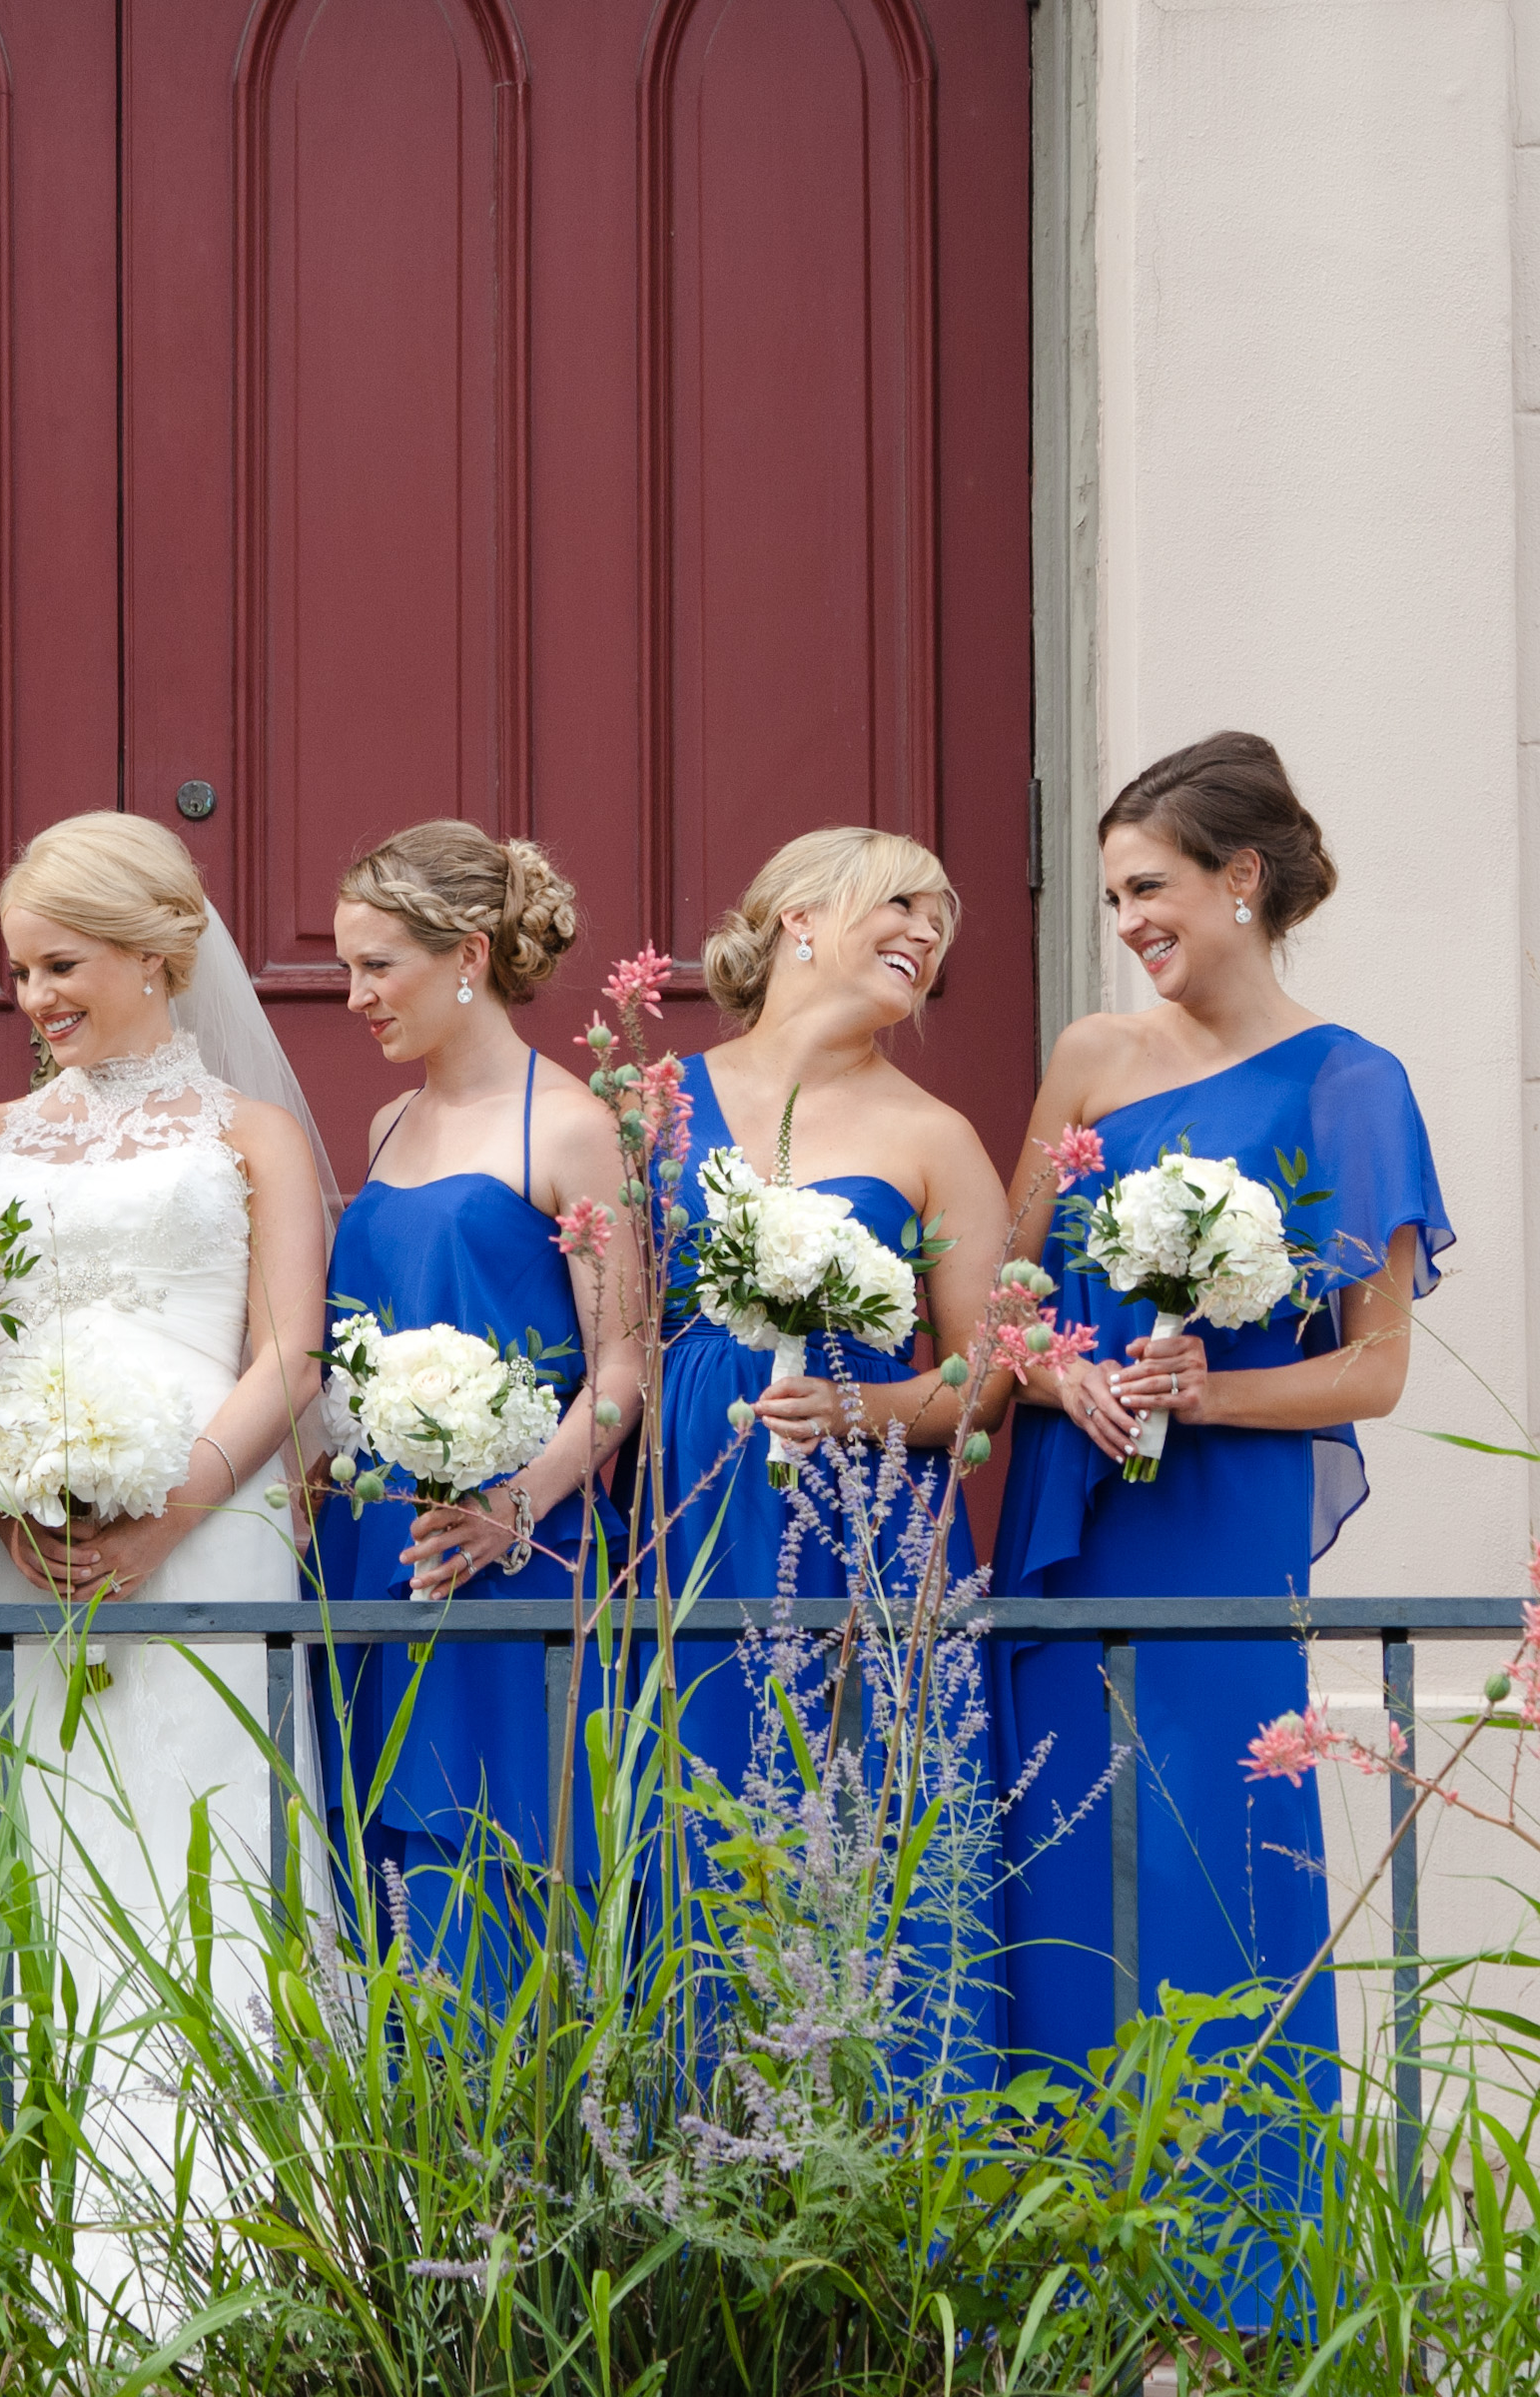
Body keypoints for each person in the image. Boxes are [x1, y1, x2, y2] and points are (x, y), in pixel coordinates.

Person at [991, 730, 1452, 2326]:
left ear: (1241, 877)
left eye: (1151, 888)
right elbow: (1005, 1302)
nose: (1128, 922)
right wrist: (1057, 1372)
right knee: (1054, 1864)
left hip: (1219, 1537)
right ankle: (1059, 2305)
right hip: (1069, 1526)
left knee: (1218, 1876)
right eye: (1113, 897)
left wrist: (1209, 1393)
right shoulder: (1090, 1060)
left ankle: (1244, 2305)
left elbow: (1375, 1370)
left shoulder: (1351, 1087)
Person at [0, 811, 335, 2314]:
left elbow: (287, 1355)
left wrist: (172, 1514)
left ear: (160, 954)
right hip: (13, 1544)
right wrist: (2, 1487)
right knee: (23, 1851)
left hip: (209, 1533)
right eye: (22, 970)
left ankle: (228, 2270)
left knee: (202, 1857)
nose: (35, 997)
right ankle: (15, 2278)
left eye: (63, 965)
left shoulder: (254, 1135)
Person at [649, 826, 1011, 2087]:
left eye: (942, 922)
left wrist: (858, 1411)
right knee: (688, 1805)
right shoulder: (652, 1101)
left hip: (864, 1527)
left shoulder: (936, 1136)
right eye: (900, 903)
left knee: (859, 1813)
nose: (927, 933)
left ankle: (888, 2133)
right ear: (799, 917)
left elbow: (986, 1383)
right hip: (682, 1514)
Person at [315, 823, 641, 1992]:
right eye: (348, 968)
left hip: (513, 1554)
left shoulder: (573, 1127)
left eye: (377, 966)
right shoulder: (386, 1127)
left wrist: (514, 1508)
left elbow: (623, 1371)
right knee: (371, 1852)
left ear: (467, 955)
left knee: (491, 1848)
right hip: (374, 1547)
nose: (355, 996)